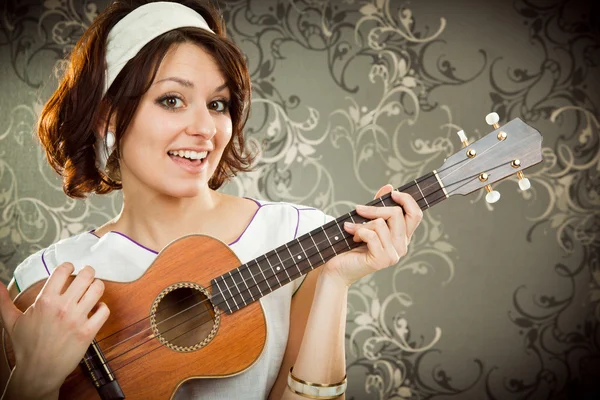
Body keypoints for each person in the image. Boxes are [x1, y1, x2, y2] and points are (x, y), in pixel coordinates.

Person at [0, 1, 423, 399]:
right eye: (171, 100)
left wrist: (334, 281)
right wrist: (33, 380)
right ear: (107, 116)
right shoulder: (47, 278)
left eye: (218, 104)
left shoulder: (297, 235)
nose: (205, 127)